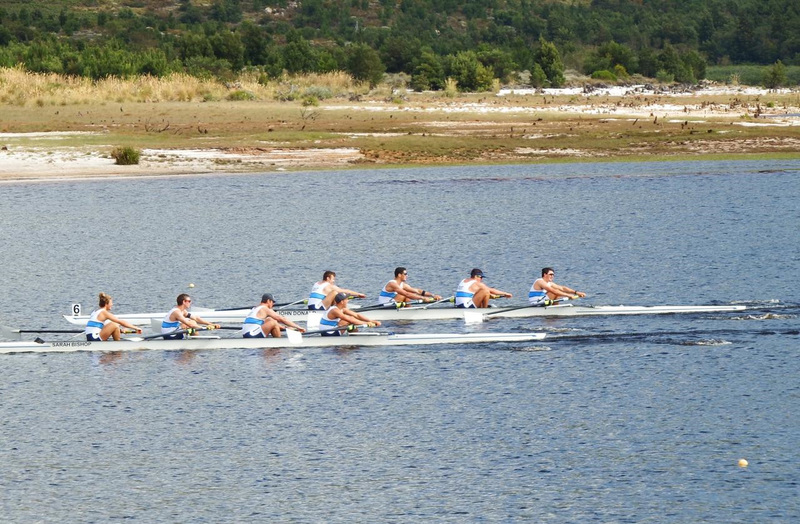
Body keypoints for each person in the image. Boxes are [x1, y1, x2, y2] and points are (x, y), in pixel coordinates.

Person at [241, 293, 306, 338]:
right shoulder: (265, 308)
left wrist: (288, 328)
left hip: (246, 333)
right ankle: (279, 343)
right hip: (251, 335)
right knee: (273, 322)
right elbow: (282, 319)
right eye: (273, 302)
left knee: (270, 319)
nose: (273, 304)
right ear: (268, 301)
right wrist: (299, 327)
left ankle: (283, 332)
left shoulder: (255, 308)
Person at [378, 267, 442, 305]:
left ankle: (407, 313)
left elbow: (417, 291)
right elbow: (406, 294)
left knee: (409, 293)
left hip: (392, 303)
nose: (407, 276)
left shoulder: (402, 285)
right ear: (399, 275)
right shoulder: (392, 284)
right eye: (405, 274)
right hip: (385, 304)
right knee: (405, 294)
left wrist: (433, 295)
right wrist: (423, 298)